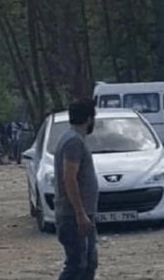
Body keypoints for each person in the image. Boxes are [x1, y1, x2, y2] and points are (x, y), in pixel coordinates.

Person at [54, 98, 98, 280]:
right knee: (76, 265)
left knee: (88, 264)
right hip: (73, 216)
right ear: (89, 118)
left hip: (81, 215)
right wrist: (80, 214)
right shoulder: (73, 142)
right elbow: (69, 179)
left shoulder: (72, 138)